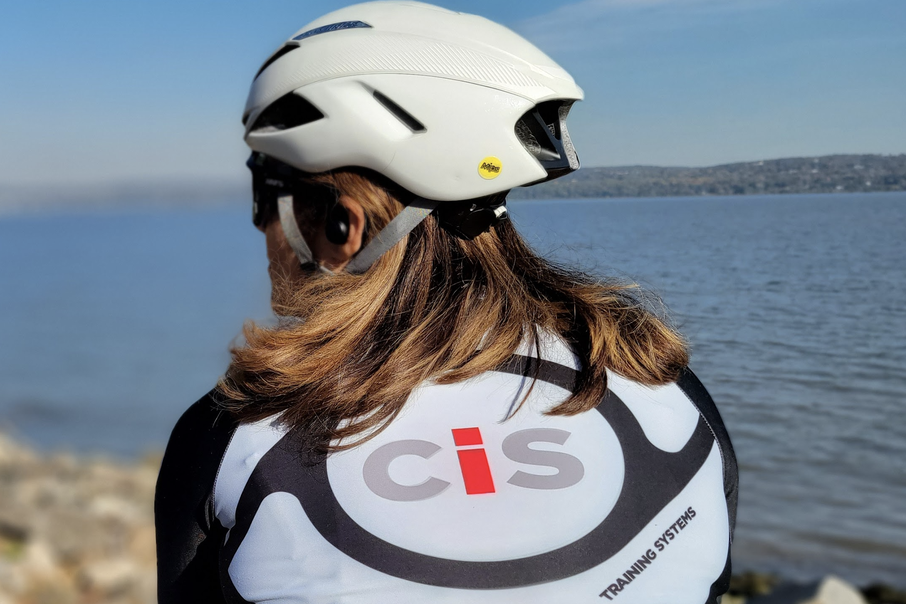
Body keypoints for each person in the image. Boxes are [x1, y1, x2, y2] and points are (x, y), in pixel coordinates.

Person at [155, 2, 738, 603]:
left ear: (341, 226)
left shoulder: (240, 434)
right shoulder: (661, 386)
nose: (260, 226)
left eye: (266, 194)